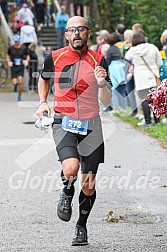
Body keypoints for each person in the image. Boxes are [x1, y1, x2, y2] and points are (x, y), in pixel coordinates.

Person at [35, 15, 112, 246]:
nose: (76, 33)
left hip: (91, 124)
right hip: (64, 120)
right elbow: (43, 79)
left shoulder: (99, 60)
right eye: (72, 30)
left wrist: (101, 85)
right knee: (70, 168)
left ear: (88, 33)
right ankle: (67, 193)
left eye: (81, 29)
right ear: (66, 34)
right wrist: (42, 101)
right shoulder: (54, 57)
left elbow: (107, 101)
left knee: (88, 185)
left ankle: (81, 227)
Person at [125, 32, 162, 127]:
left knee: (144, 99)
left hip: (140, 77)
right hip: (153, 76)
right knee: (154, 99)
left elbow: (127, 57)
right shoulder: (153, 47)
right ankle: (157, 121)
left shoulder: (133, 50)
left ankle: (148, 121)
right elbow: (159, 62)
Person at [6, 34, 29, 101]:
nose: (17, 42)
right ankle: (15, 86)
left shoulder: (23, 48)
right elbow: (7, 55)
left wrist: (26, 61)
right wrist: (9, 62)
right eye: (15, 41)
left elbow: (27, 55)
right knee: (14, 82)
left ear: (19, 41)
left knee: (20, 81)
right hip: (13, 67)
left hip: (20, 67)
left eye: (18, 41)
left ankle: (19, 96)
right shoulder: (11, 48)